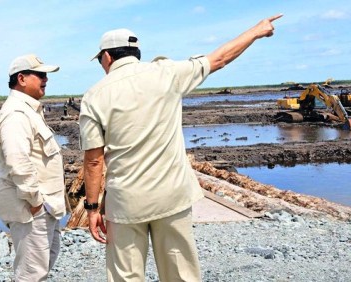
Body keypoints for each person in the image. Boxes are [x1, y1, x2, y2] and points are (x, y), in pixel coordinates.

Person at [79, 14, 282, 281]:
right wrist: (256, 31)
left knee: (125, 275)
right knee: (180, 274)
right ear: (136, 53)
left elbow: (94, 161)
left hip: (126, 201)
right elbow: (219, 59)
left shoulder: (95, 95)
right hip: (172, 195)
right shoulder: (168, 73)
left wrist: (92, 208)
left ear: (107, 57)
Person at [0, 54, 67, 281]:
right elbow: (17, 161)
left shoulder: (28, 110)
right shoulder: (16, 113)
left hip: (44, 207)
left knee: (40, 270)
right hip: (31, 208)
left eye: (46, 75)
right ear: (22, 79)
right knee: (31, 275)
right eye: (41, 74)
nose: (46, 79)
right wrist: (36, 202)